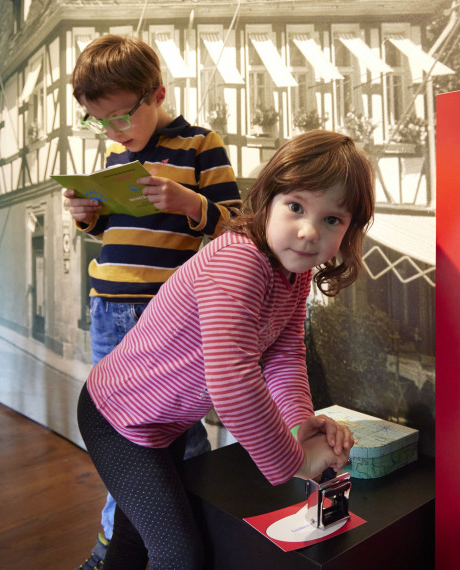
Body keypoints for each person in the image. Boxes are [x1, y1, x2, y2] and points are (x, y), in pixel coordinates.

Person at [77, 129, 375, 569]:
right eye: (296, 206)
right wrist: (296, 459)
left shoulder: (295, 274)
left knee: (135, 540)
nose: (310, 231)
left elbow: (284, 356)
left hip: (162, 424)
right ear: (268, 200)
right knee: (179, 556)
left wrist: (299, 426)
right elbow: (233, 384)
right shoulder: (240, 260)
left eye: (333, 219)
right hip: (117, 418)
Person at [63, 34, 242, 569]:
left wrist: (192, 203)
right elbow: (114, 238)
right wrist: (88, 217)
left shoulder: (200, 144)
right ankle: (122, 543)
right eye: (100, 122)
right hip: (110, 309)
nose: (113, 131)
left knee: (176, 436)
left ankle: (178, 538)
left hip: (169, 314)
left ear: (157, 93)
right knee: (124, 436)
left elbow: (235, 229)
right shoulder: (118, 157)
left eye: (120, 117)